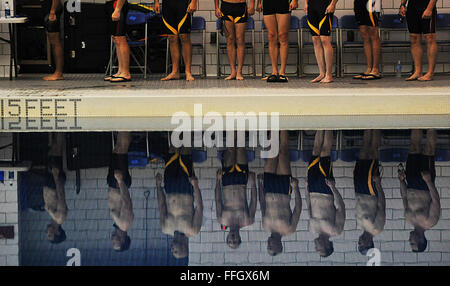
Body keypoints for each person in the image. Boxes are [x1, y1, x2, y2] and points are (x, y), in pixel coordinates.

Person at [258, 130, 301, 256]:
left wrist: (261, 185)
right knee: (282, 153)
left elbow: (262, 204)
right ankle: (284, 126)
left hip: (269, 189)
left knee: (272, 152)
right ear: (280, 245)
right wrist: (296, 187)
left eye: (268, 246)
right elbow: (298, 209)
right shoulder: (289, 229)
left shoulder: (266, 226)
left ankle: (274, 126)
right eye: (272, 246)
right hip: (283, 190)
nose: (269, 244)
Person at [156, 147, 203, 258]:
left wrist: (158, 186)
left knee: (171, 152)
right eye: (175, 252)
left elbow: (161, 206)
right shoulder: (193, 230)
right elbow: (199, 208)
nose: (172, 250)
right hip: (185, 189)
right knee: (185, 153)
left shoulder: (165, 228)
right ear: (183, 248)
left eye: (173, 252)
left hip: (170, 188)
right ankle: (186, 132)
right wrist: (195, 185)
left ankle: (173, 134)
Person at [398, 129, 440, 252]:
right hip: (424, 184)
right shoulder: (430, 221)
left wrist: (401, 181)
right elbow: (435, 200)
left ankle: (417, 122)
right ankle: (432, 123)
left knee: (413, 147)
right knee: (429, 150)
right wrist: (428, 181)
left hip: (410, 182)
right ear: (421, 240)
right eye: (412, 242)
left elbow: (404, 197)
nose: (409, 240)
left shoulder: (409, 219)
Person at [306, 130, 345, 257]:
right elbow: (341, 208)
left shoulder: (312, 229)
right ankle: (328, 125)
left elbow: (309, 206)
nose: (316, 246)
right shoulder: (335, 230)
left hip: (312, 190)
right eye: (319, 248)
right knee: (324, 153)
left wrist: (307, 188)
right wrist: (333, 187)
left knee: (315, 151)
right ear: (328, 246)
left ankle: (319, 124)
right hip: (326, 191)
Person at [215, 146, 256, 249]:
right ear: (239, 238)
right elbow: (254, 201)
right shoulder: (248, 220)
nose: (232, 239)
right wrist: (253, 182)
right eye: (235, 241)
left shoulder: (221, 220)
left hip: (227, 182)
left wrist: (218, 180)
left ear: (227, 237)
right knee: (240, 149)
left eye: (230, 241)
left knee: (230, 149)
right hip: (241, 181)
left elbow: (218, 200)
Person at [354, 130, 385, 255]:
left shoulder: (360, 226)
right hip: (370, 190)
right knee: (372, 152)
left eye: (358, 244)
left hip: (359, 190)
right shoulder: (377, 228)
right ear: (368, 244)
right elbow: (382, 206)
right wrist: (378, 184)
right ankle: (377, 126)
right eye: (361, 243)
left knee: (363, 152)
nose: (359, 241)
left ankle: (367, 126)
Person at [156, 0, 198, 81]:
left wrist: (194, 2)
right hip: (167, 5)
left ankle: (188, 71)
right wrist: (156, 2)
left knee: (184, 36)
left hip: (184, 4)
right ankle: (175, 71)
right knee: (172, 38)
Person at [257, 0, 298, 82]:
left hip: (283, 3)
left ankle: (282, 72)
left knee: (283, 35)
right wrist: (259, 3)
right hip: (268, 3)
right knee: (271, 36)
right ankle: (274, 72)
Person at [215, 0, 255, 80]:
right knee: (230, 39)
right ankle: (233, 71)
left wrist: (252, 5)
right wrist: (216, 7)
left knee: (240, 39)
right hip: (226, 6)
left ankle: (239, 71)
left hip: (240, 6)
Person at [107, 132, 134, 251]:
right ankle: (126, 125)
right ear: (123, 240)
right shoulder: (125, 224)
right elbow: (127, 203)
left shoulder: (119, 224)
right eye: (115, 243)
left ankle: (122, 126)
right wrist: (120, 181)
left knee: (117, 149)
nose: (112, 241)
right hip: (119, 184)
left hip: (115, 184)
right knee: (122, 149)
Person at [399, 0, 438, 81]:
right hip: (412, 6)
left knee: (430, 38)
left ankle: (430, 73)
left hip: (426, 4)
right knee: (414, 38)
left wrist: (429, 8)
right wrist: (402, 5)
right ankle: (418, 71)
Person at [305, 0, 337, 83]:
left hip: (325, 5)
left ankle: (329, 74)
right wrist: (306, 3)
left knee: (324, 39)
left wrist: (333, 4)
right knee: (315, 39)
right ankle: (322, 73)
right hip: (312, 6)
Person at [44, 133, 68, 244]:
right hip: (55, 182)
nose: (46, 232)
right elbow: (61, 196)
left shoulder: (54, 217)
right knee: (56, 151)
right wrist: (56, 176)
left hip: (51, 183)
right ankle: (59, 129)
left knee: (51, 151)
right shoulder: (60, 217)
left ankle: (53, 129)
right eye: (49, 234)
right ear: (57, 232)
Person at [353, 0, 382, 80]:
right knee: (364, 33)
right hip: (359, 2)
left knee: (373, 32)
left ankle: (375, 69)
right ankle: (369, 68)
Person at [104, 0, 132, 82]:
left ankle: (126, 72)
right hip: (112, 5)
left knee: (120, 38)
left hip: (117, 4)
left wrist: (118, 9)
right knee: (116, 39)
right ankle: (120, 71)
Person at [42, 0, 64, 81]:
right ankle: (58, 72)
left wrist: (52, 11)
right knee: (53, 42)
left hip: (52, 8)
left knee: (55, 42)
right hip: (50, 8)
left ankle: (58, 73)